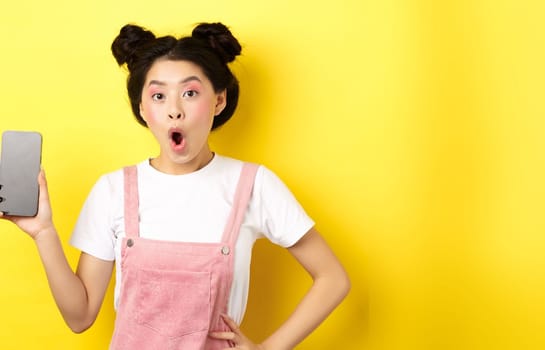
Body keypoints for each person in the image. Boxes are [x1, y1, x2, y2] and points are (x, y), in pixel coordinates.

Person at [0, 22, 350, 349]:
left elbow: (333, 279)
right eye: (159, 96)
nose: (174, 111)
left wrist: (269, 348)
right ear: (142, 108)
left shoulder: (255, 184)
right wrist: (43, 232)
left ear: (219, 100)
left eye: (190, 93)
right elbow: (79, 317)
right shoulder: (112, 190)